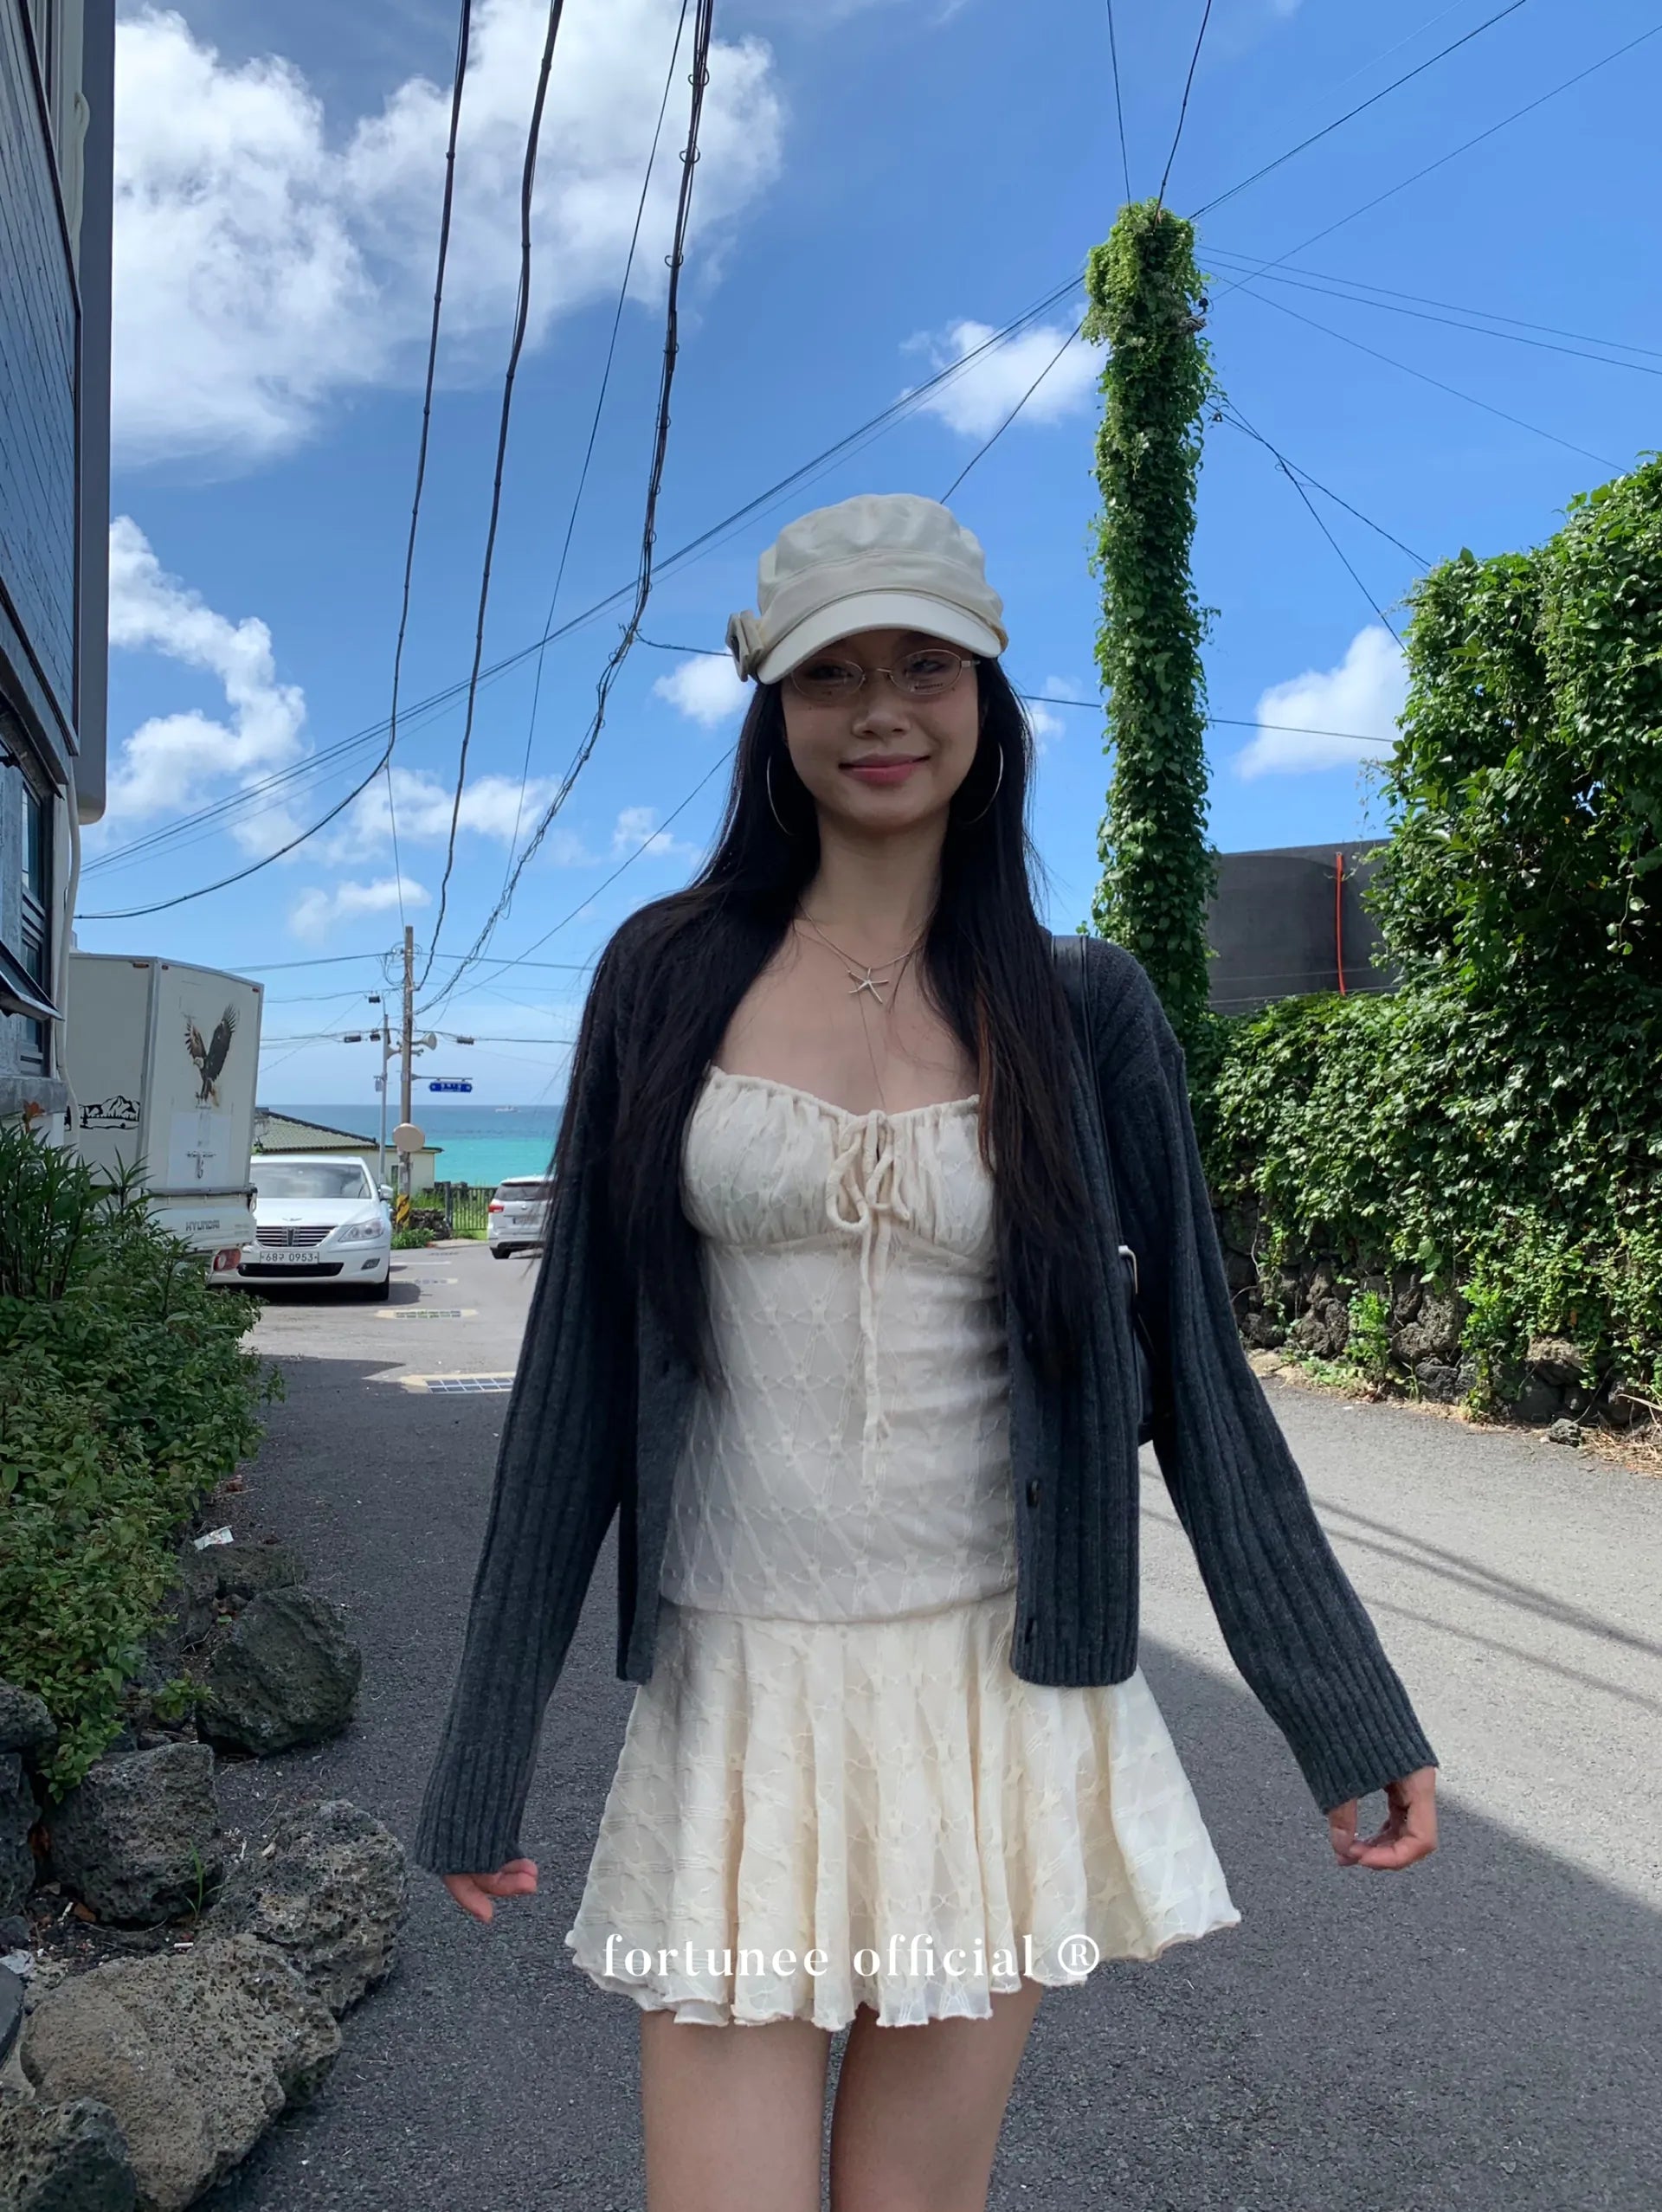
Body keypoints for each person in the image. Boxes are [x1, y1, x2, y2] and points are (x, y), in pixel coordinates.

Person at [413, 492, 1438, 2212]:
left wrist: (1344, 1704)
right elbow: (574, 1386)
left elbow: (1200, 1379)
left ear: (986, 700)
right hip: (740, 1684)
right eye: (833, 675)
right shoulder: (663, 976)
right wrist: (484, 1749)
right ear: (775, 709)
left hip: (994, 1693)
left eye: (924, 669)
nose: (881, 712)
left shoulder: (1083, 1005)